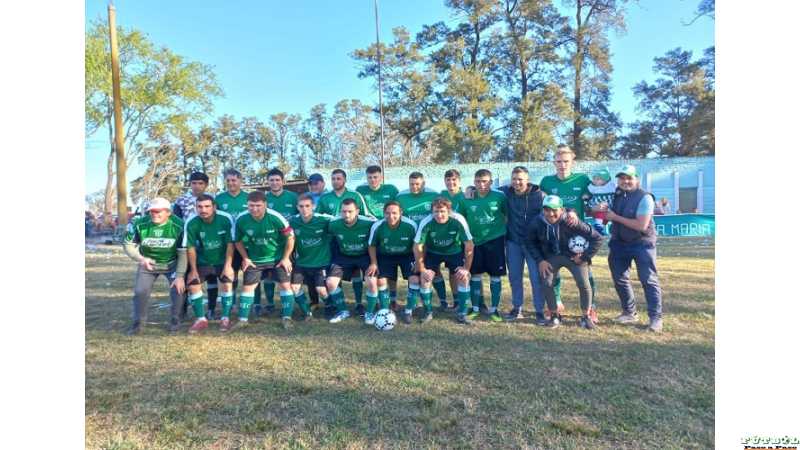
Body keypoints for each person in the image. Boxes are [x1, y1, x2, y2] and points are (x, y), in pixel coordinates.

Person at [600, 165, 664, 333]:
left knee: (648, 280)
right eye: (622, 178)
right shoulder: (618, 194)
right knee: (619, 279)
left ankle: (655, 318)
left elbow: (641, 225)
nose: (625, 181)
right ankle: (629, 312)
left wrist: (615, 217)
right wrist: (604, 213)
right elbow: (608, 217)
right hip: (619, 243)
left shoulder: (645, 198)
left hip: (642, 243)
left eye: (629, 178)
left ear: (637, 179)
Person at [539, 144, 598, 323]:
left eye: (566, 161)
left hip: (578, 236)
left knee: (586, 272)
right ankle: (555, 304)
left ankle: (591, 308)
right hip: (554, 235)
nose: (562, 165)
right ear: (554, 162)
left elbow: (597, 195)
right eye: (559, 161)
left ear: (572, 161)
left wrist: (597, 209)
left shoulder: (582, 180)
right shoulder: (547, 182)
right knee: (553, 272)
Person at [525, 195, 604, 329]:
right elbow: (530, 242)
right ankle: (555, 315)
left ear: (562, 209)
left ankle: (586, 316)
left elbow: (597, 238)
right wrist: (540, 260)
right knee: (547, 282)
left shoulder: (571, 221)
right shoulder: (537, 222)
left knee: (584, 283)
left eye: (554, 210)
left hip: (573, 256)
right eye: (547, 209)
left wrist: (584, 256)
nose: (550, 213)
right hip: (551, 257)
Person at [122, 197, 187, 335]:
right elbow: (128, 244)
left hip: (172, 262)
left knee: (179, 290)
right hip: (148, 263)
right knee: (140, 292)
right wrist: (141, 258)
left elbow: (183, 252)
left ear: (168, 212)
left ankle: (176, 322)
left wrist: (180, 275)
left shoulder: (179, 225)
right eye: (152, 211)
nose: (154, 214)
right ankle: (138, 325)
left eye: (159, 212)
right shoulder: (139, 223)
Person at [234, 191, 297, 330]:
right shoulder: (241, 219)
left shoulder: (275, 217)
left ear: (265, 205)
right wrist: (245, 258)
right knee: (247, 288)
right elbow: (237, 240)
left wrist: (286, 258)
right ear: (247, 205)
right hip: (255, 260)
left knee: (286, 286)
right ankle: (242, 320)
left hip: (277, 259)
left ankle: (287, 319)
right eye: (251, 206)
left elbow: (290, 237)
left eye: (258, 205)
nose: (254, 209)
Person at [496, 166, 547, 325]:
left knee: (536, 277)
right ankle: (517, 307)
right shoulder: (505, 192)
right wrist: (470, 188)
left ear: (527, 180)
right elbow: (485, 189)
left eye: (520, 179)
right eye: (514, 179)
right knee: (515, 277)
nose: (517, 182)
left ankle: (539, 310)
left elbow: (555, 208)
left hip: (533, 244)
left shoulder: (540, 195)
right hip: (513, 243)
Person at [315, 169, 370, 314]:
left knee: (356, 272)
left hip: (354, 236)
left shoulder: (355, 195)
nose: (335, 181)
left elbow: (365, 215)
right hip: (334, 240)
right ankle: (336, 303)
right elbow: (319, 219)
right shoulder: (325, 198)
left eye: (338, 178)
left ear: (344, 180)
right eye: (333, 179)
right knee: (334, 272)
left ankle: (359, 303)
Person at [414, 197, 475, 324]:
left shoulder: (458, 220)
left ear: (449, 211)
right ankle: (428, 311)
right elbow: (417, 246)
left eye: (442, 211)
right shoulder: (427, 221)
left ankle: (462, 314)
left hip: (454, 251)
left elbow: (469, 245)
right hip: (433, 252)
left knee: (463, 277)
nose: (439, 215)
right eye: (436, 212)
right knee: (425, 278)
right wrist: (422, 269)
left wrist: (466, 269)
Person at [183, 195, 236, 333]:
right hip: (203, 261)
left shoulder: (225, 219)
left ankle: (225, 318)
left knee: (227, 282)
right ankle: (201, 319)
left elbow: (230, 244)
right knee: (193, 284)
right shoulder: (192, 222)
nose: (203, 210)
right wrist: (193, 270)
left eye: (207, 206)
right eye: (199, 207)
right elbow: (190, 247)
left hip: (222, 260)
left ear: (214, 207)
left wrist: (228, 266)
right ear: (196, 208)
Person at [463, 169, 508, 322]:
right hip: (475, 242)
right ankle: (475, 308)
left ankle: (494, 310)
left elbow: (507, 215)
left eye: (485, 181)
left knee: (495, 276)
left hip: (495, 241)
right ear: (474, 182)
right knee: (475, 275)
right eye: (478, 181)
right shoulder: (467, 198)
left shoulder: (500, 196)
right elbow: (461, 219)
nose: (481, 185)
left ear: (491, 181)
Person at [172, 171, 217, 320]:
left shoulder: (212, 199)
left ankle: (211, 308)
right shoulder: (181, 201)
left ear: (206, 185)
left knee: (211, 277)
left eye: (200, 183)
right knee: (186, 277)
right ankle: (182, 310)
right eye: (194, 183)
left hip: (207, 245)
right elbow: (177, 223)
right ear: (189, 184)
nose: (197, 186)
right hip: (188, 245)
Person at [213, 168, 257, 319]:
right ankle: (230, 304)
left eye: (234, 180)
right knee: (231, 274)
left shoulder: (249, 197)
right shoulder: (219, 198)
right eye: (228, 180)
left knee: (252, 273)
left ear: (240, 181)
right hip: (228, 243)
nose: (231, 183)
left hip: (248, 242)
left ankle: (255, 304)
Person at [367, 201, 421, 324]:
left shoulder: (411, 225)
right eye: (387, 213)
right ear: (383, 213)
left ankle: (408, 311)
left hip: (407, 255)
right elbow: (372, 246)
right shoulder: (378, 226)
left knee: (415, 280)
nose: (391, 216)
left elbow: (418, 245)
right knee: (381, 281)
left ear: (401, 213)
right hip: (386, 255)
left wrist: (418, 262)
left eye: (395, 213)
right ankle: (386, 310)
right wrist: (374, 263)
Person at [325, 199, 378, 323]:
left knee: (372, 282)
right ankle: (343, 310)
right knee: (331, 282)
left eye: (350, 211)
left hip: (364, 256)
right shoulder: (334, 224)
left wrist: (374, 261)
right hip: (344, 256)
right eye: (344, 211)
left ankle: (369, 313)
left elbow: (380, 231)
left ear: (357, 211)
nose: (347, 215)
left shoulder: (369, 223)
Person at [357, 165, 401, 310]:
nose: (372, 180)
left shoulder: (391, 189)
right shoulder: (360, 190)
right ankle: (374, 298)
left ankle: (393, 298)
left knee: (390, 267)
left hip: (387, 228)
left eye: (375, 177)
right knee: (371, 265)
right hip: (368, 229)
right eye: (370, 177)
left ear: (381, 177)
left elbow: (397, 207)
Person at [288, 194, 333, 322]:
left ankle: (330, 307)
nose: (304, 209)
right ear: (297, 207)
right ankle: (307, 313)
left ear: (313, 206)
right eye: (301, 206)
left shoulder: (324, 219)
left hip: (321, 262)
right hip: (301, 262)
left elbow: (340, 221)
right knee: (294, 288)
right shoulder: (292, 221)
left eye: (307, 206)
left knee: (321, 290)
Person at [263, 168, 299, 317]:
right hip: (269, 242)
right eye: (271, 180)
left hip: (290, 241)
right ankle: (270, 303)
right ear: (267, 182)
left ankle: (291, 303)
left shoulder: (293, 197)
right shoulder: (264, 198)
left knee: (289, 274)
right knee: (269, 274)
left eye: (277, 180)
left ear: (283, 181)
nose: (275, 182)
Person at [433, 168, 467, 310]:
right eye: (448, 180)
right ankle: (442, 301)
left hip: (458, 242)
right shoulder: (441, 195)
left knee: (456, 272)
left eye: (454, 180)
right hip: (439, 241)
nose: (451, 182)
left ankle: (457, 300)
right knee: (434, 270)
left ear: (459, 181)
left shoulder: (466, 195)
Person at [586, 167, 617, 235]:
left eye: (598, 179)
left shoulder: (611, 185)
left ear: (605, 180)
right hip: (598, 203)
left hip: (609, 203)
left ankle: (606, 226)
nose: (594, 181)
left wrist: (619, 192)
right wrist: (586, 195)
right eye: (594, 178)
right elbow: (588, 193)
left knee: (609, 214)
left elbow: (617, 190)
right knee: (600, 213)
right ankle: (598, 226)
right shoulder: (592, 186)